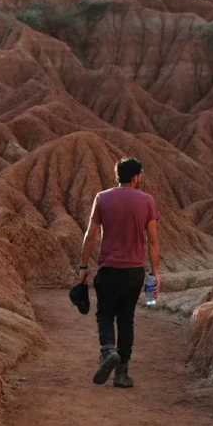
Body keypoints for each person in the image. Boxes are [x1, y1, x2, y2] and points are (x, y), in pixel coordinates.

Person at [78, 157, 160, 388]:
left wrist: (83, 267)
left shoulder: (102, 198)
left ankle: (108, 350)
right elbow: (152, 241)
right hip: (133, 272)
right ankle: (122, 373)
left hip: (108, 270)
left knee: (105, 314)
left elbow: (90, 235)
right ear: (135, 177)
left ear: (118, 176)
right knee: (126, 319)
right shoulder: (147, 201)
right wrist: (155, 273)